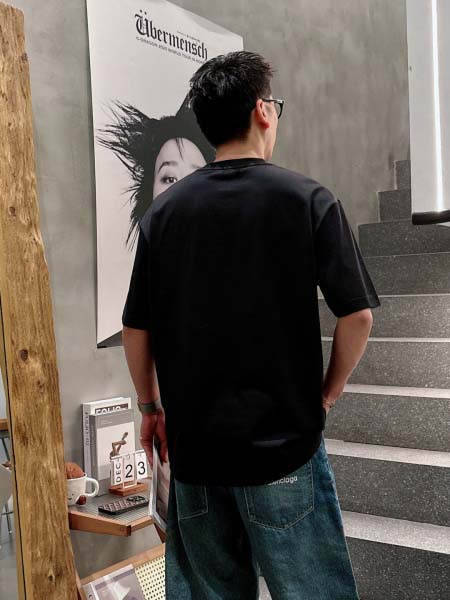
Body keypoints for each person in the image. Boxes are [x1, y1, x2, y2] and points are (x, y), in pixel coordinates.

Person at [121, 50, 381, 599]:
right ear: (263, 110)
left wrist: (149, 407)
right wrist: (327, 394)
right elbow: (357, 316)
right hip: (284, 449)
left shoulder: (163, 215)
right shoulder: (309, 200)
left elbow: (136, 329)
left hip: (196, 454)